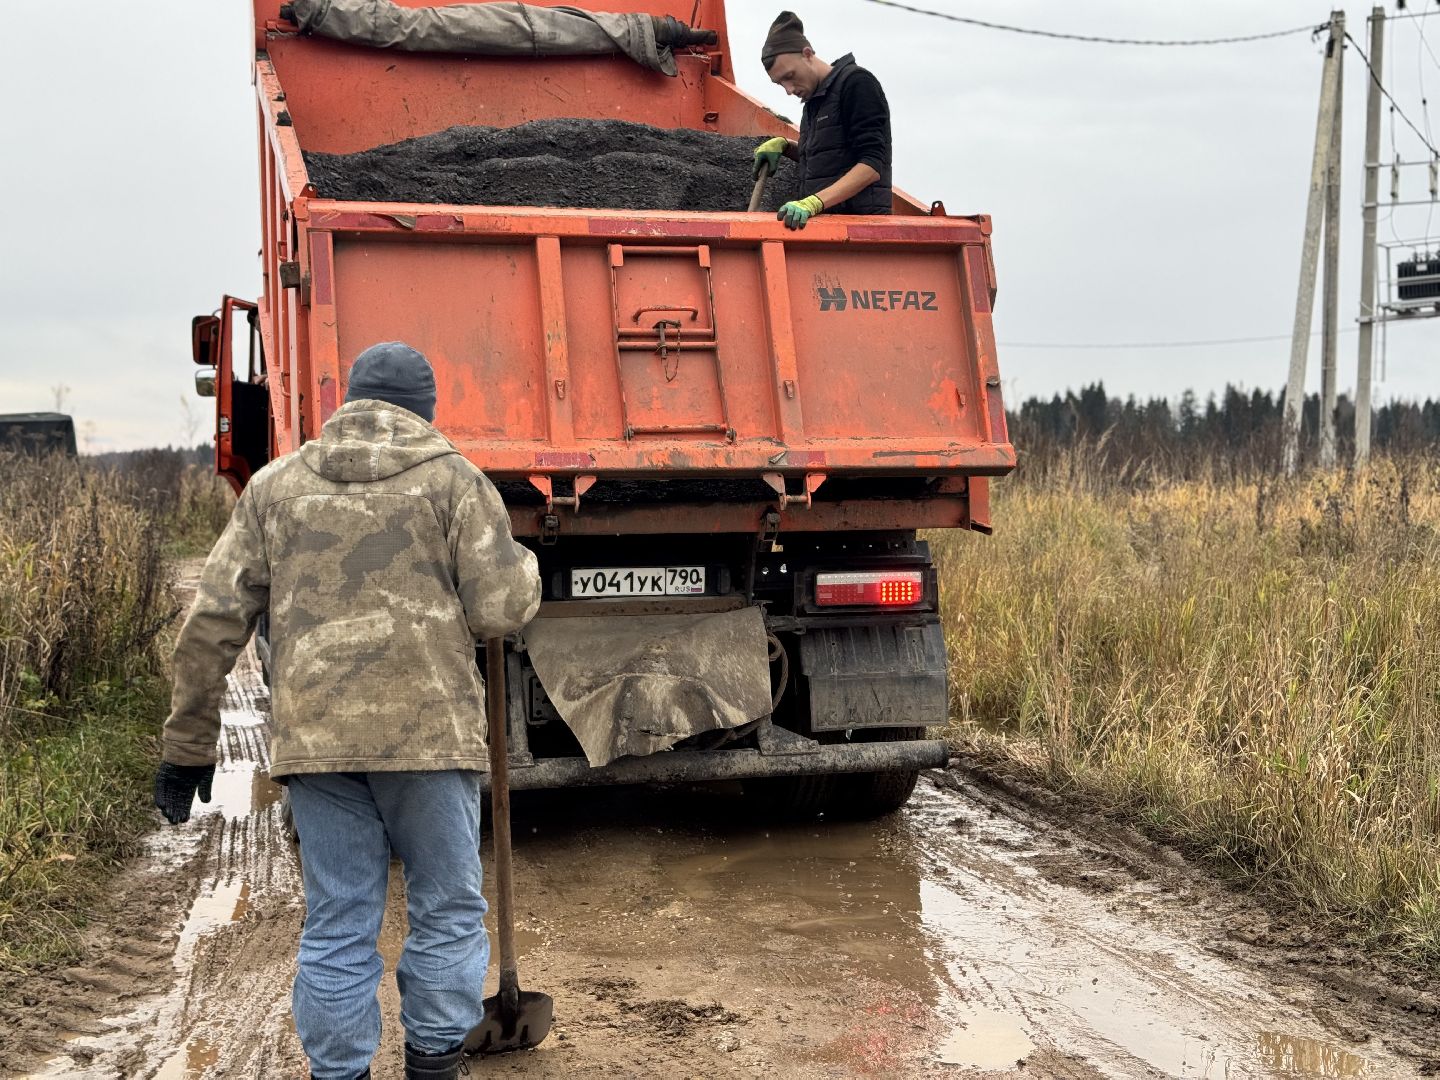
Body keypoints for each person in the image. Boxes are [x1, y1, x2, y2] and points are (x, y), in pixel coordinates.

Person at [152, 341, 542, 1080]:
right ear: (425, 410)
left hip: (318, 747)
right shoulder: (457, 483)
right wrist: (522, 565)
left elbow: (212, 624)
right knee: (447, 910)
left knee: (338, 921)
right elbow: (500, 609)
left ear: (348, 403)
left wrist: (188, 744)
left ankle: (339, 1074)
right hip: (430, 742)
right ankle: (434, 1065)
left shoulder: (274, 488)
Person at [753, 10, 893, 230]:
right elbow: (830, 159)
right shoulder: (814, 102)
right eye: (780, 83)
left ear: (807, 54)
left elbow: (873, 164)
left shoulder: (856, 83)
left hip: (861, 229)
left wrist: (814, 203)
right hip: (828, 228)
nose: (788, 90)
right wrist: (787, 147)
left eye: (790, 76)